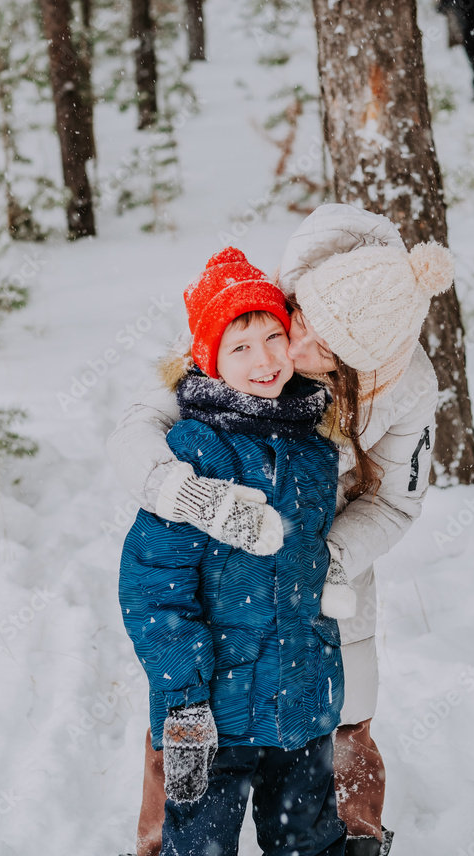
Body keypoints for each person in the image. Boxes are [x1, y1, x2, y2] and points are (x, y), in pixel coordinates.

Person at [108, 204, 455, 856]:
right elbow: (142, 426)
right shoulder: (259, 323)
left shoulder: (407, 386)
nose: (290, 352)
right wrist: (184, 494)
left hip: (330, 579)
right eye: (302, 324)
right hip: (223, 576)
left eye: (321, 350)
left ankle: (350, 839)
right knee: (190, 737)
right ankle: (162, 842)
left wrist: (320, 562)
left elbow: (396, 504)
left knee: (338, 730)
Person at [119, 246, 348, 856]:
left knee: (309, 841)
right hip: (209, 715)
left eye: (273, 337)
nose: (264, 359)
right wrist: (184, 702)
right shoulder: (198, 451)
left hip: (301, 703)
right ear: (210, 360)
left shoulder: (317, 454)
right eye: (239, 347)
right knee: (198, 845)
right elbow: (152, 584)